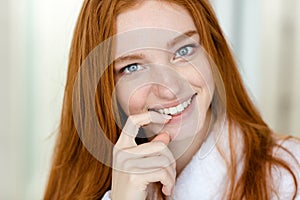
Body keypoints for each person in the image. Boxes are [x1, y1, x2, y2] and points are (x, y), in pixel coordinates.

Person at [44, 0, 300, 199]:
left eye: (183, 51)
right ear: (104, 89)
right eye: (133, 67)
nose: (168, 88)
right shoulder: (82, 184)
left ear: (213, 52)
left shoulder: (290, 176)